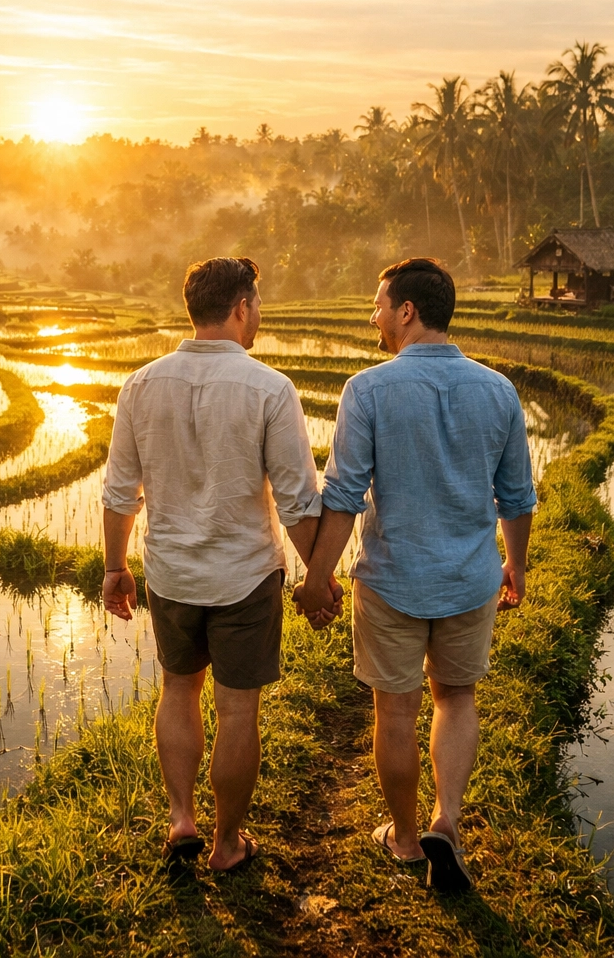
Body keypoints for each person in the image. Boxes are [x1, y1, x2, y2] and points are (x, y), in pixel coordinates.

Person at [293, 257, 535, 893]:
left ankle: (404, 839)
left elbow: (342, 495)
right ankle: (446, 822)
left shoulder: (368, 390)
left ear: (406, 311)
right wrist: (516, 564)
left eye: (379, 305)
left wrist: (318, 577)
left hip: (393, 580)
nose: (374, 317)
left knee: (395, 709)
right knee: (456, 696)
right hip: (469, 578)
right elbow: (517, 496)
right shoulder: (499, 390)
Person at [101, 256, 341, 873]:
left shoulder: (141, 384)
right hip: (245, 578)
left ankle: (181, 819)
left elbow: (119, 490)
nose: (258, 315)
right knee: (238, 708)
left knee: (178, 690)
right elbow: (296, 500)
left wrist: (113, 567)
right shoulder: (268, 387)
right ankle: (226, 842)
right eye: (256, 304)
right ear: (240, 307)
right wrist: (318, 579)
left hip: (171, 574)